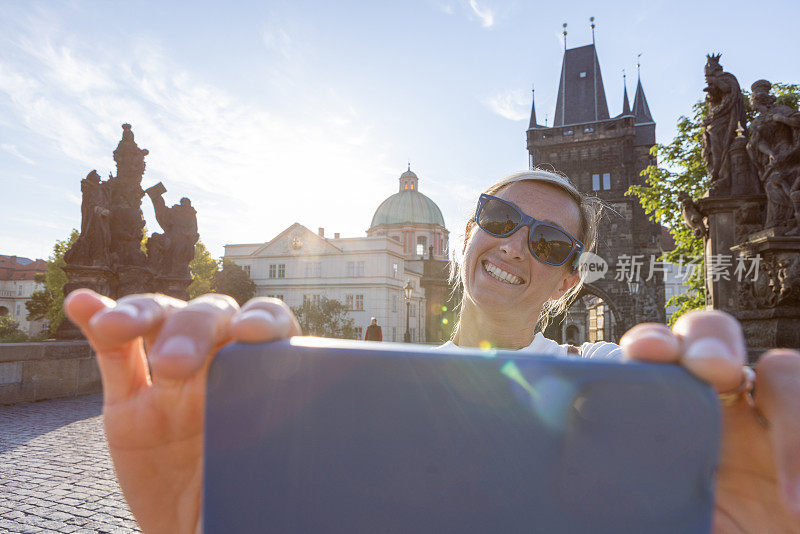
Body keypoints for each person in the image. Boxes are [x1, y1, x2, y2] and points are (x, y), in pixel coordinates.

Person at [64, 169, 800, 534]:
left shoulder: (607, 388)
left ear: (569, 282)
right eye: (499, 218)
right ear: (468, 236)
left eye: (546, 242)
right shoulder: (341, 394)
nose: (514, 244)